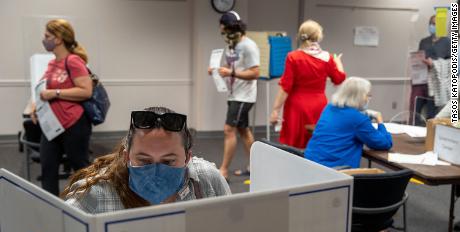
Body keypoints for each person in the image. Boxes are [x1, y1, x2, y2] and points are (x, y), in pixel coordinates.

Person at [62, 107, 231, 213]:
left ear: (187, 157)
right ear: (127, 156)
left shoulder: (207, 180)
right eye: (144, 161)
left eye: (168, 161)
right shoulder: (96, 193)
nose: (156, 170)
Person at [305, 77, 398, 232]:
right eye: (367, 95)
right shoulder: (357, 119)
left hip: (312, 170)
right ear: (358, 96)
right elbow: (383, 143)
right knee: (383, 188)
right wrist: (380, 120)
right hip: (338, 175)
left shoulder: (329, 108)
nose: (368, 98)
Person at [31, 19, 93, 196]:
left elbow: (86, 91)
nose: (44, 39)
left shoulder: (74, 61)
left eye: (47, 36)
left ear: (58, 39)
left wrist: (55, 93)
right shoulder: (52, 64)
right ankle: (51, 209)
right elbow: (41, 88)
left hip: (74, 124)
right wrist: (34, 106)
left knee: (81, 169)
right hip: (51, 126)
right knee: (47, 169)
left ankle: (90, 206)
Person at [270, 20, 346, 149]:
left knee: (294, 146)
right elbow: (339, 79)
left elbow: (285, 88)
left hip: (297, 106)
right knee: (315, 143)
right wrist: (338, 62)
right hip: (319, 105)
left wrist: (275, 110)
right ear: (318, 36)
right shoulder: (327, 58)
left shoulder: (293, 57)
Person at [208, 11, 260, 179]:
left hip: (244, 96)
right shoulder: (231, 45)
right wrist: (217, 70)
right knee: (243, 131)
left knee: (228, 129)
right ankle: (256, 166)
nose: (222, 32)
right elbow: (232, 66)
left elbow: (255, 72)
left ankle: (223, 170)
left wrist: (230, 72)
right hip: (234, 94)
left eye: (223, 29)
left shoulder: (248, 46)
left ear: (229, 27)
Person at [410, 15, 450, 125]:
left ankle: (429, 136)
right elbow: (419, 56)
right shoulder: (424, 41)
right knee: (415, 110)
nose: (434, 26)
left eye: (437, 24)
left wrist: (434, 64)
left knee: (431, 112)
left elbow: (451, 64)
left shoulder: (448, 42)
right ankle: (413, 132)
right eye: (432, 24)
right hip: (420, 81)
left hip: (436, 83)